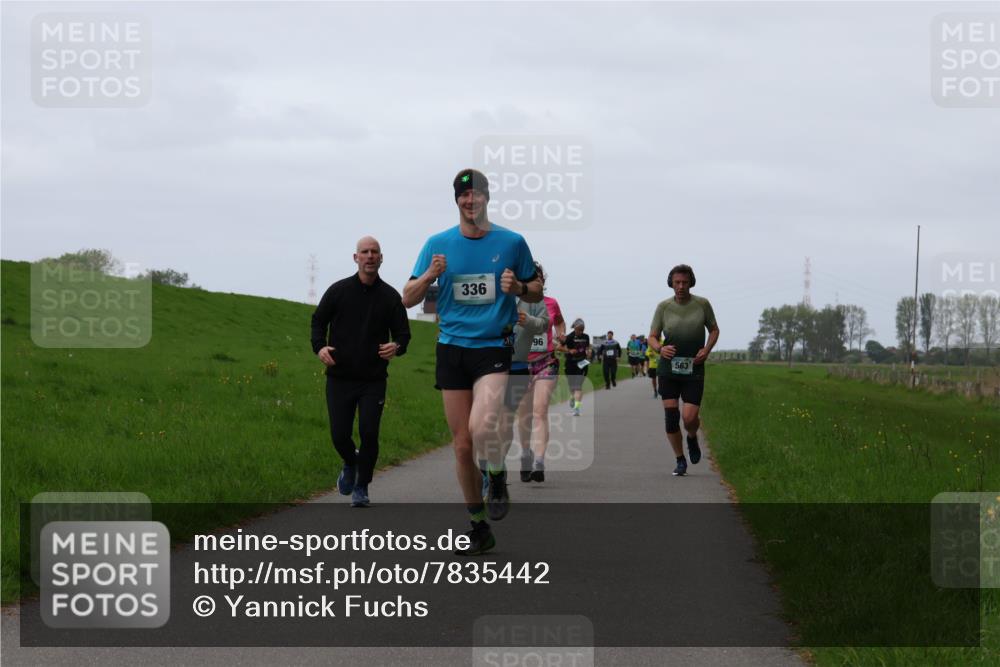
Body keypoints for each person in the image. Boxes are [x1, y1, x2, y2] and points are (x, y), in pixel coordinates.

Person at [402, 168, 542, 555]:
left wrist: (520, 288)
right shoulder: (437, 244)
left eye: (477, 195)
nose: (470, 201)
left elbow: (536, 290)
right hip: (451, 348)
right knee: (462, 446)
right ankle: (478, 525)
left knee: (482, 428)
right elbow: (408, 297)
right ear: (457, 201)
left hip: (493, 347)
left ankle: (496, 475)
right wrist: (430, 273)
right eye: (464, 196)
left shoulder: (512, 242)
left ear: (487, 198)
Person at [311, 236, 411, 507]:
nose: (369, 256)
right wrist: (319, 348)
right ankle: (350, 463)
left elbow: (403, 333)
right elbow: (318, 321)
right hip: (340, 377)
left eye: (374, 252)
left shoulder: (390, 297)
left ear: (381, 258)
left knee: (369, 433)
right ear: (355, 258)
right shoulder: (338, 291)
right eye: (364, 252)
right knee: (339, 435)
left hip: (373, 380)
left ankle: (362, 487)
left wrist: (397, 346)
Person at [648, 264, 720, 477]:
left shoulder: (702, 304)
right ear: (671, 283)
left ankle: (691, 437)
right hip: (668, 369)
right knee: (671, 418)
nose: (680, 286)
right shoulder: (663, 307)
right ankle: (680, 460)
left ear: (691, 283)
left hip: (693, 369)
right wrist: (660, 348)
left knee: (689, 418)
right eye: (677, 282)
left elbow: (714, 329)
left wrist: (706, 350)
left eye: (685, 283)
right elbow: (651, 336)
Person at [518, 262, 564, 483]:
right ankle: (525, 454)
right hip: (520, 366)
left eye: (537, 278)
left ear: (543, 282)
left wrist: (559, 335)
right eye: (529, 279)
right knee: (525, 415)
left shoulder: (551, 303)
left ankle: (539, 461)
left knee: (539, 410)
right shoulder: (515, 303)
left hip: (546, 362)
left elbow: (560, 323)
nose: (534, 282)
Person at [498, 292, 548, 495]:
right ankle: (494, 471)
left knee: (519, 416)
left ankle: (524, 454)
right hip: (489, 362)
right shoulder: (496, 291)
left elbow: (545, 325)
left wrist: (528, 320)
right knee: (496, 418)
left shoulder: (534, 301)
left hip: (522, 365)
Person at [559, 319, 590, 416]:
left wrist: (589, 352)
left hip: (582, 364)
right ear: (575, 328)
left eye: (582, 329)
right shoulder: (569, 337)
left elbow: (588, 347)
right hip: (570, 364)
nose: (580, 331)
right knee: (572, 387)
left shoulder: (586, 337)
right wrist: (569, 350)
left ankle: (577, 409)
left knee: (578, 387)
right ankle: (573, 397)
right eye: (579, 329)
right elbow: (559, 347)